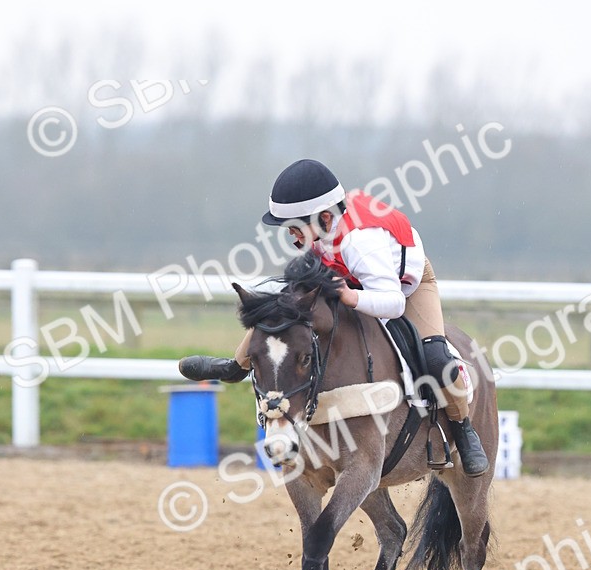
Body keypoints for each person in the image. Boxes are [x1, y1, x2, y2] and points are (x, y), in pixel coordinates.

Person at [180, 159, 488, 475]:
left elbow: (393, 304)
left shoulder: (361, 243)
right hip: (349, 275)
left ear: (326, 218)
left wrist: (351, 297)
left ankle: (463, 429)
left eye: (296, 229)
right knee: (283, 306)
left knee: (437, 359)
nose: (293, 239)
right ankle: (235, 366)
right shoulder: (327, 228)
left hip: (405, 286)